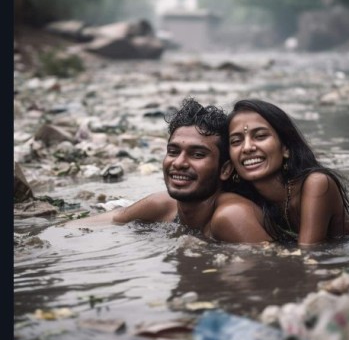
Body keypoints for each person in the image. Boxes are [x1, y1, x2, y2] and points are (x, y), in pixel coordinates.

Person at [76, 97, 271, 243]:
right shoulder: (164, 205)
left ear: (225, 169)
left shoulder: (231, 215)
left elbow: (267, 276)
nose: (179, 163)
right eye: (173, 151)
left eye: (197, 154)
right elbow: (95, 222)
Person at [226, 99, 349, 245]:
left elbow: (307, 255)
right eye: (236, 141)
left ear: (286, 148)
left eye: (260, 136)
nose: (247, 148)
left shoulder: (316, 184)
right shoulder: (246, 199)